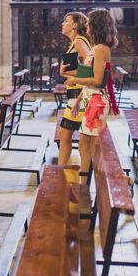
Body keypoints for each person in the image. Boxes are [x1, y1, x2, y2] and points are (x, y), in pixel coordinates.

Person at [65, 9, 119, 183]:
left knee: (90, 146)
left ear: (96, 25)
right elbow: (90, 83)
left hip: (97, 102)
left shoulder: (101, 49)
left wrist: (74, 79)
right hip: (90, 99)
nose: (86, 26)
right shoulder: (95, 48)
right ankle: (85, 182)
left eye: (89, 23)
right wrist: (78, 101)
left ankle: (104, 181)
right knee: (84, 145)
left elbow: (97, 81)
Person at [58, 12, 91, 165]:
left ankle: (60, 173)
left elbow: (89, 70)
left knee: (68, 137)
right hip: (75, 95)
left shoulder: (79, 41)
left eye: (66, 21)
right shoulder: (75, 42)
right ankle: (59, 172)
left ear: (75, 25)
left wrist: (65, 73)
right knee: (64, 136)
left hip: (80, 96)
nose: (62, 24)